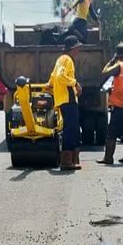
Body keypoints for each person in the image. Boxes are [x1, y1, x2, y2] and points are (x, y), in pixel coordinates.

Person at [98, 42, 123, 165]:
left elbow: (104, 73)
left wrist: (112, 60)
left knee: (112, 132)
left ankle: (108, 158)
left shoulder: (120, 66)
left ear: (119, 55)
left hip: (120, 106)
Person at [50, 36, 83, 171]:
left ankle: (73, 160)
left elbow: (53, 77)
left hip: (64, 100)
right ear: (72, 49)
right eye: (77, 48)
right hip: (68, 99)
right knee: (71, 130)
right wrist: (75, 83)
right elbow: (59, 76)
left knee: (72, 129)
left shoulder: (60, 60)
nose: (79, 50)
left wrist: (49, 86)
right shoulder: (67, 59)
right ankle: (66, 161)